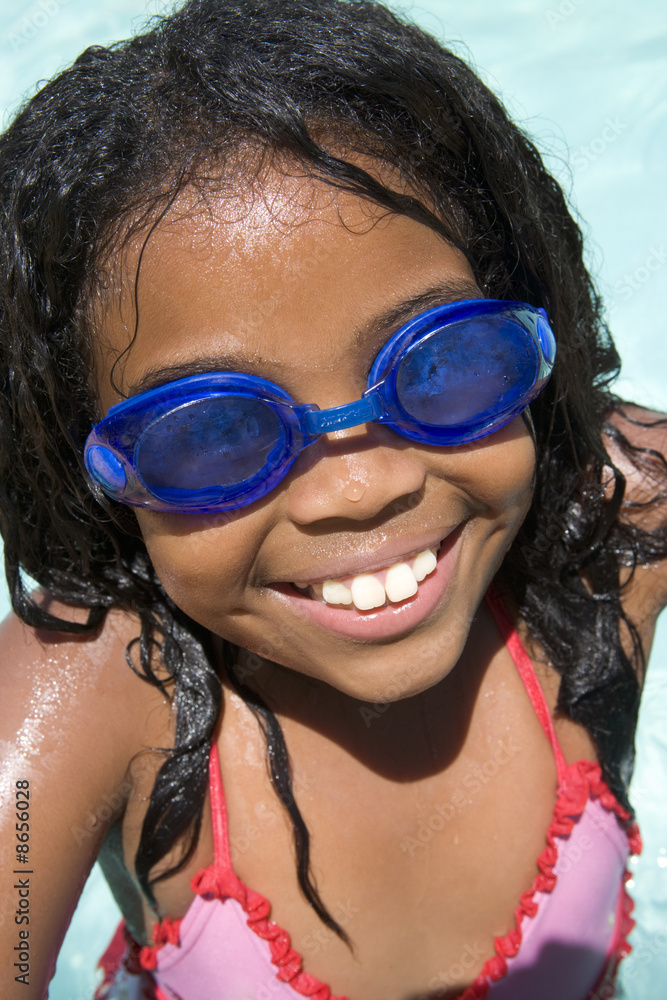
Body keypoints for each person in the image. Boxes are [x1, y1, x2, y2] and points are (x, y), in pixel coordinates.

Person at [0, 1, 665, 998]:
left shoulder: (610, 525)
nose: (363, 484)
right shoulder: (101, 687)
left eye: (440, 360)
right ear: (82, 459)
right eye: (212, 430)